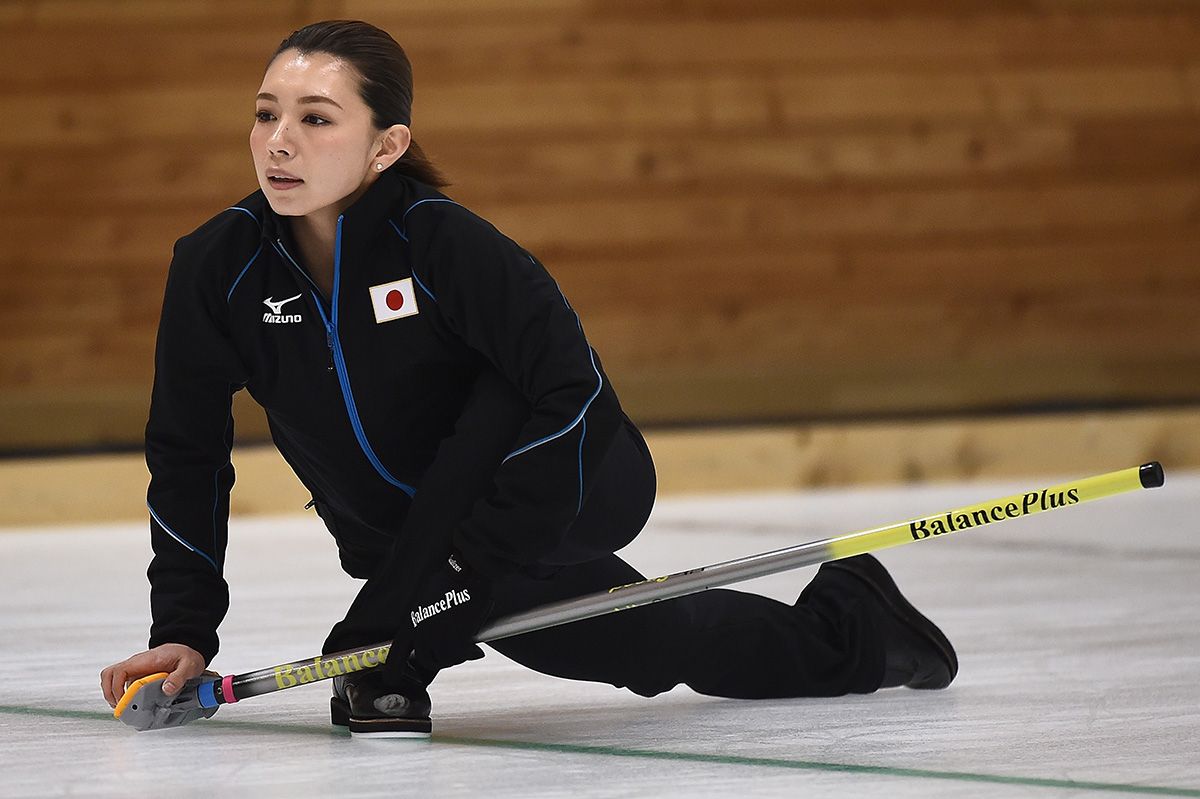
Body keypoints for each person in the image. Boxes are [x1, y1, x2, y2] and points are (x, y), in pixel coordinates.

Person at [100, 20, 957, 737]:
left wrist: (442, 586)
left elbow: (570, 397)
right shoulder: (217, 268)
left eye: (317, 119)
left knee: (497, 395)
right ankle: (858, 626)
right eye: (264, 114)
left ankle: (410, 633)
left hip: (576, 479)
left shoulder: (446, 246)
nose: (279, 141)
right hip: (411, 541)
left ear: (385, 145)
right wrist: (183, 629)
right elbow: (186, 448)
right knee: (638, 643)